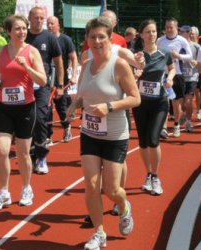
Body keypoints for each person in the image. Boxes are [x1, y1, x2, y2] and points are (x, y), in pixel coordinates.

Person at [67, 16, 140, 249]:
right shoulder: (86, 65)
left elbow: (135, 98)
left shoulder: (119, 65)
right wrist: (73, 105)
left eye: (101, 37)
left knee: (111, 190)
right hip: (89, 133)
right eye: (92, 37)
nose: (97, 41)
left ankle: (124, 206)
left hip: (115, 136)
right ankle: (99, 232)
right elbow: (81, 95)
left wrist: (109, 107)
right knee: (90, 184)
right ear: (87, 40)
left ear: (110, 39)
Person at [0, 14, 46, 210]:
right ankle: (3, 192)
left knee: (22, 153)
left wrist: (26, 66)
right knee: (2, 150)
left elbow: (43, 81)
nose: (22, 32)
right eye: (18, 28)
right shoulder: (2, 51)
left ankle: (27, 187)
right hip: (4, 107)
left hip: (25, 108)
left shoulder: (32, 52)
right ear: (9, 32)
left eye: (24, 28)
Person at [132, 19, 176, 195]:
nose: (152, 35)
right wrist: (136, 73)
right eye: (148, 32)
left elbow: (172, 68)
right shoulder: (136, 55)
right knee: (143, 143)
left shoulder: (164, 53)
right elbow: (129, 76)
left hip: (159, 102)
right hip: (140, 103)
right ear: (141, 35)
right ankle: (148, 174)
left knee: (153, 139)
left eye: (154, 31)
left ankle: (156, 176)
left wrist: (170, 77)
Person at [26, 6, 64, 174]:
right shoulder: (22, 35)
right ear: (29, 18)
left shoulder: (49, 38)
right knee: (27, 120)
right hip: (23, 85)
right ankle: (30, 154)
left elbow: (59, 61)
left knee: (41, 118)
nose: (39, 21)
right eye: (36, 18)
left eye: (42, 18)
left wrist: (60, 84)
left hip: (42, 86)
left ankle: (41, 157)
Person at [156, 18, 192, 138]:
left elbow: (190, 56)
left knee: (176, 103)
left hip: (177, 75)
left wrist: (179, 56)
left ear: (177, 28)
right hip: (163, 75)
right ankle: (164, 128)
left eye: (171, 27)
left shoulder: (182, 41)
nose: (169, 30)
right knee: (164, 102)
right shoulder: (160, 41)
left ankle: (176, 124)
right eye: (167, 27)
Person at [46, 15, 78, 143]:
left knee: (61, 107)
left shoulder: (65, 40)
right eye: (48, 23)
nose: (49, 26)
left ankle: (66, 127)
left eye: (52, 23)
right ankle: (48, 135)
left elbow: (74, 58)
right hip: (46, 80)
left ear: (58, 25)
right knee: (46, 108)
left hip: (60, 80)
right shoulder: (43, 38)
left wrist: (74, 75)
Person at [179, 25, 200, 132]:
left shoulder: (196, 47)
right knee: (181, 103)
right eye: (180, 32)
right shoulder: (177, 45)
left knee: (188, 100)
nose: (181, 34)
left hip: (192, 77)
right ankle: (184, 113)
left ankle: (188, 122)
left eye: (183, 32)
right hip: (179, 76)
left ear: (188, 33)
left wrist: (196, 62)